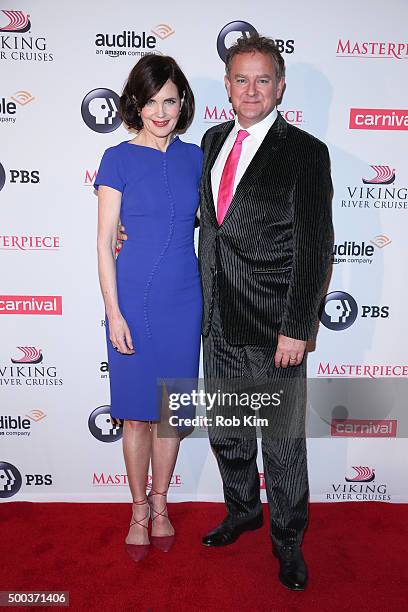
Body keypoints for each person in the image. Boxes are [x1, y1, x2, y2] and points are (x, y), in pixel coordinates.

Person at [117, 34, 333, 589]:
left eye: (263, 79)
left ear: (280, 86)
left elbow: (315, 247)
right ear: (228, 88)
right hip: (211, 319)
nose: (252, 89)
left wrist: (297, 328)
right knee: (232, 433)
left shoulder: (306, 152)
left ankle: (288, 541)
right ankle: (242, 511)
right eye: (241, 79)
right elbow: (178, 214)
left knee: (282, 441)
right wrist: (124, 230)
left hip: (272, 326)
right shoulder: (209, 142)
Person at [95, 54, 203, 562]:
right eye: (150, 102)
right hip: (134, 299)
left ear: (182, 104)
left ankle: (162, 502)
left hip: (185, 299)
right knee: (137, 416)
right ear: (134, 105)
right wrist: (114, 313)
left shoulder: (197, 157)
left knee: (170, 414)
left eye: (170, 101)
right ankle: (138, 507)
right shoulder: (116, 158)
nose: (160, 112)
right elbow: (102, 243)